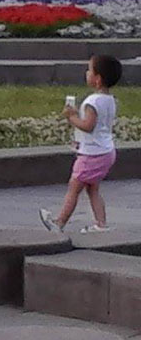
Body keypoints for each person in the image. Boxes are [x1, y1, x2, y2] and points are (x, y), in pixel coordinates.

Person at [40, 55, 123, 234]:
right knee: (93, 189)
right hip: (106, 151)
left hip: (92, 154)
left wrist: (71, 117)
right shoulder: (109, 99)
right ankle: (101, 224)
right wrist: (78, 114)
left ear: (97, 79)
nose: (86, 73)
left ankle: (59, 223)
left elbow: (88, 126)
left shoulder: (92, 101)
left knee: (74, 187)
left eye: (89, 70)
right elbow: (97, 122)